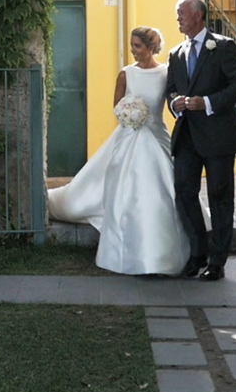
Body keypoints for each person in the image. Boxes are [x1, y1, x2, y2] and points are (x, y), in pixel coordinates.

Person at [46, 27, 192, 275]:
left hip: (156, 134)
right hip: (130, 135)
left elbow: (171, 101)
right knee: (127, 185)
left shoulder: (166, 73)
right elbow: (118, 105)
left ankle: (164, 248)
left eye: (137, 46)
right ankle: (125, 243)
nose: (134, 51)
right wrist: (130, 112)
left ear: (150, 47)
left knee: (164, 185)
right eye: (132, 46)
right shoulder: (126, 74)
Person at [165, 0, 236, 281]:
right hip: (187, 135)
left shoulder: (223, 46)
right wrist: (175, 103)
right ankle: (197, 253)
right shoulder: (176, 53)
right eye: (177, 14)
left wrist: (209, 102)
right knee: (184, 192)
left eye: (182, 13)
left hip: (218, 136)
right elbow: (172, 89)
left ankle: (218, 261)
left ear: (198, 15)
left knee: (220, 197)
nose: (178, 18)